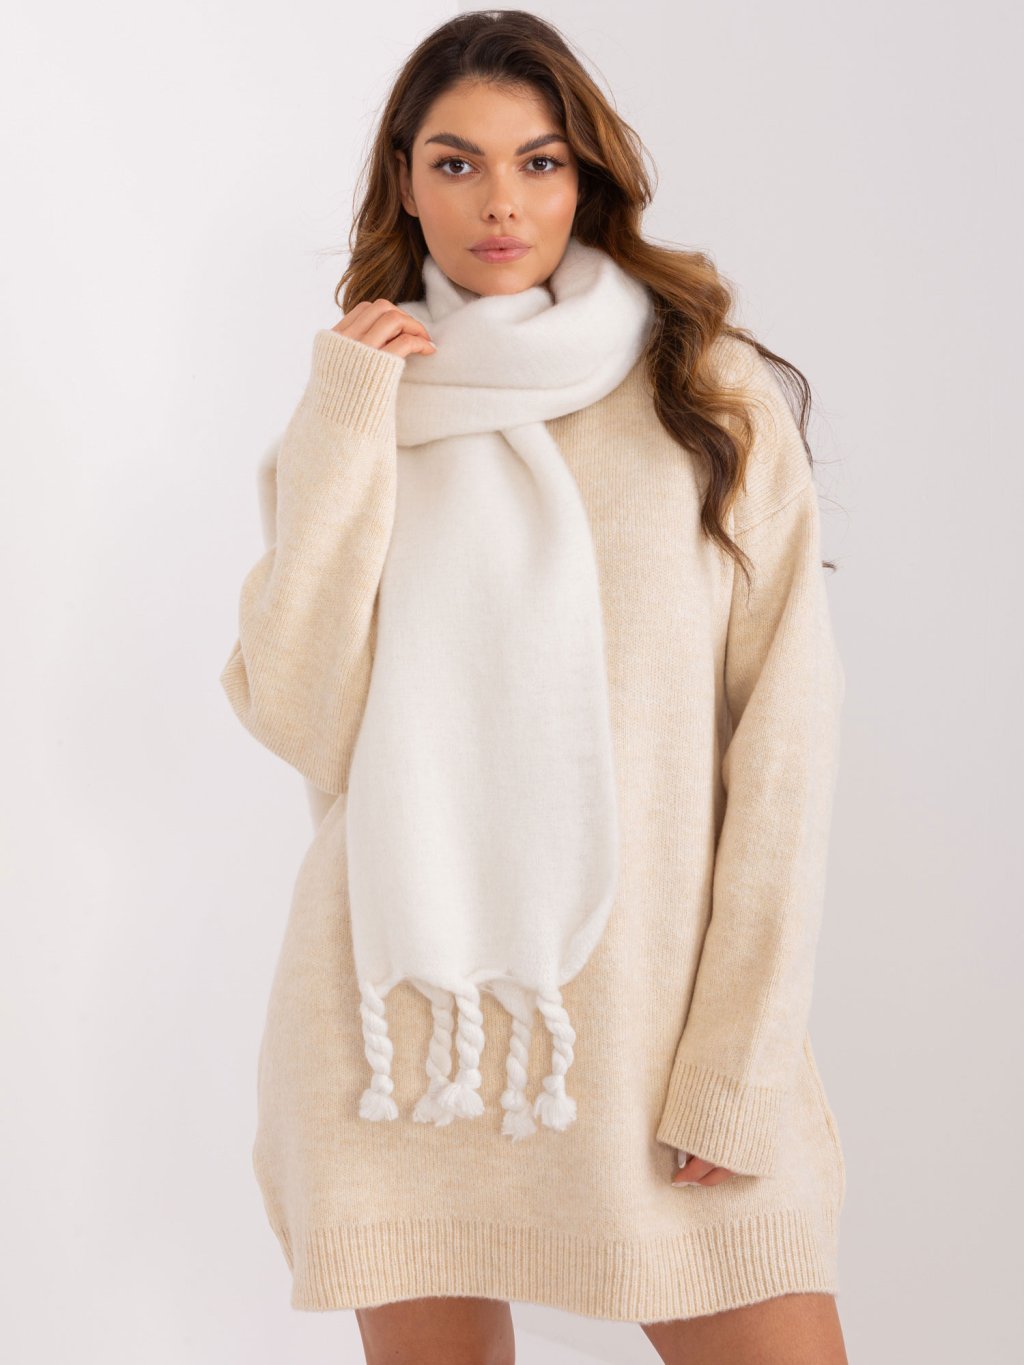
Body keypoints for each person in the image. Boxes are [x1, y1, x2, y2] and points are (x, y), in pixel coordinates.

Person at [219, 10, 849, 1364]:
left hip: (652, 1035)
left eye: (539, 161)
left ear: (586, 179)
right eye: (456, 163)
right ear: (405, 181)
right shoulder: (364, 404)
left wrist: (738, 1062)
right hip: (402, 1051)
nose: (499, 201)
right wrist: (346, 419)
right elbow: (300, 714)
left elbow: (787, 743)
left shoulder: (706, 394)